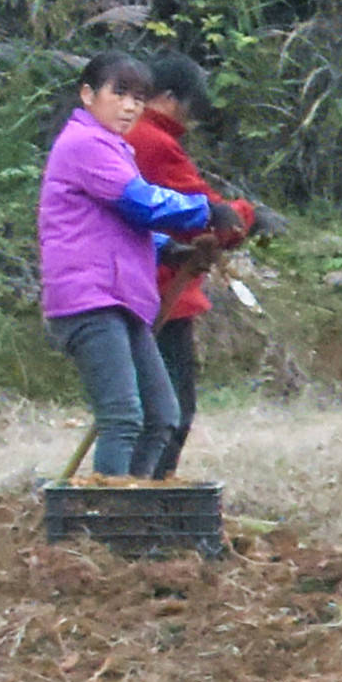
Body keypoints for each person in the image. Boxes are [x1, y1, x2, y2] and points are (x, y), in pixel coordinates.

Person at [38, 49, 217, 480]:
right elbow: (139, 202)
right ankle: (109, 522)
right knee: (123, 419)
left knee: (162, 417)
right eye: (119, 93)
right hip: (89, 299)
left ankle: (132, 505)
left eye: (139, 97)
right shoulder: (85, 144)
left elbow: (114, 225)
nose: (131, 106)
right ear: (87, 94)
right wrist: (207, 212)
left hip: (121, 296)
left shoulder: (114, 147)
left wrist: (164, 249)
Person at [126, 56, 262, 477]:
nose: (190, 117)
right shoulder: (154, 141)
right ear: (167, 98)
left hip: (143, 283)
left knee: (147, 409)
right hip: (164, 289)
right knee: (171, 413)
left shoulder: (130, 133)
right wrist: (248, 215)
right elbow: (206, 215)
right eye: (187, 104)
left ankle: (137, 491)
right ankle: (148, 497)